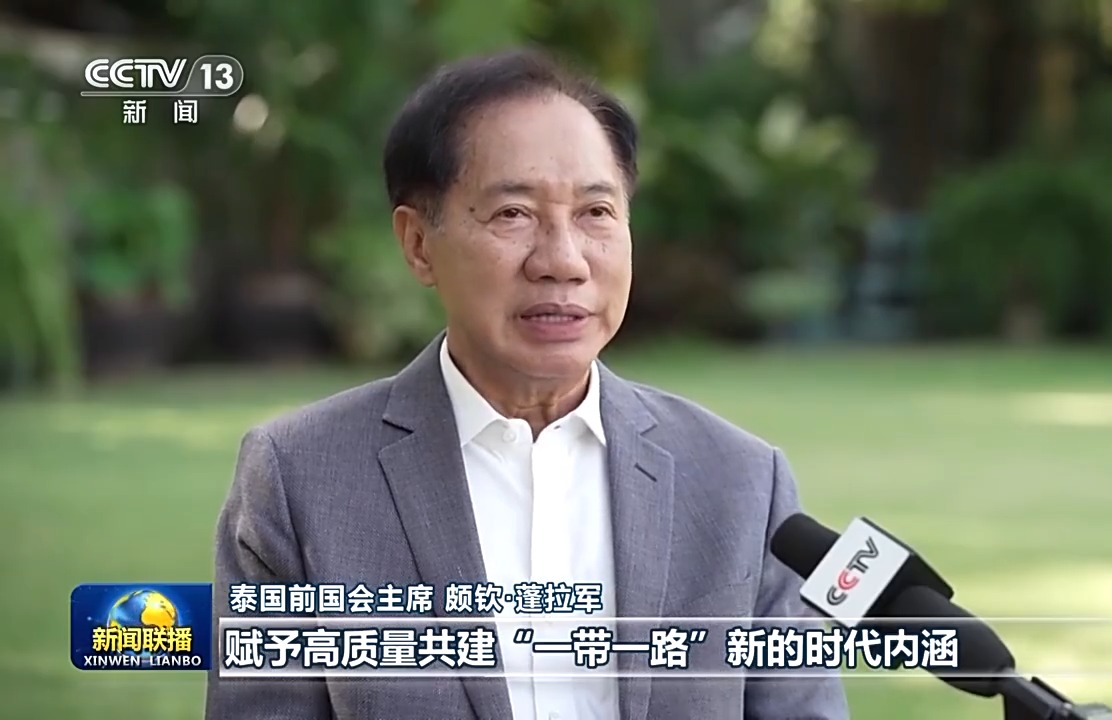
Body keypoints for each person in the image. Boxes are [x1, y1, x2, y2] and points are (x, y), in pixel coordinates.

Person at [205, 48, 848, 720]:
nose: (563, 261)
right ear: (419, 244)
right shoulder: (301, 479)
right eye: (513, 213)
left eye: (596, 212)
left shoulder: (743, 482)